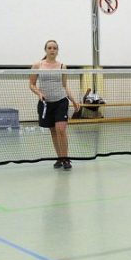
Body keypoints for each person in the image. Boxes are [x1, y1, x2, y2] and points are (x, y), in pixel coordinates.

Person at [29, 40, 79, 169]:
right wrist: (39, 93)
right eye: (50, 48)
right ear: (45, 50)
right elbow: (32, 84)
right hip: (46, 104)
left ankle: (66, 158)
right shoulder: (37, 65)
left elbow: (64, 85)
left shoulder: (62, 66)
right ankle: (59, 158)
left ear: (57, 51)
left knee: (61, 130)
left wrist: (73, 100)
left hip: (61, 101)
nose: (52, 50)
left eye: (55, 48)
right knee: (53, 132)